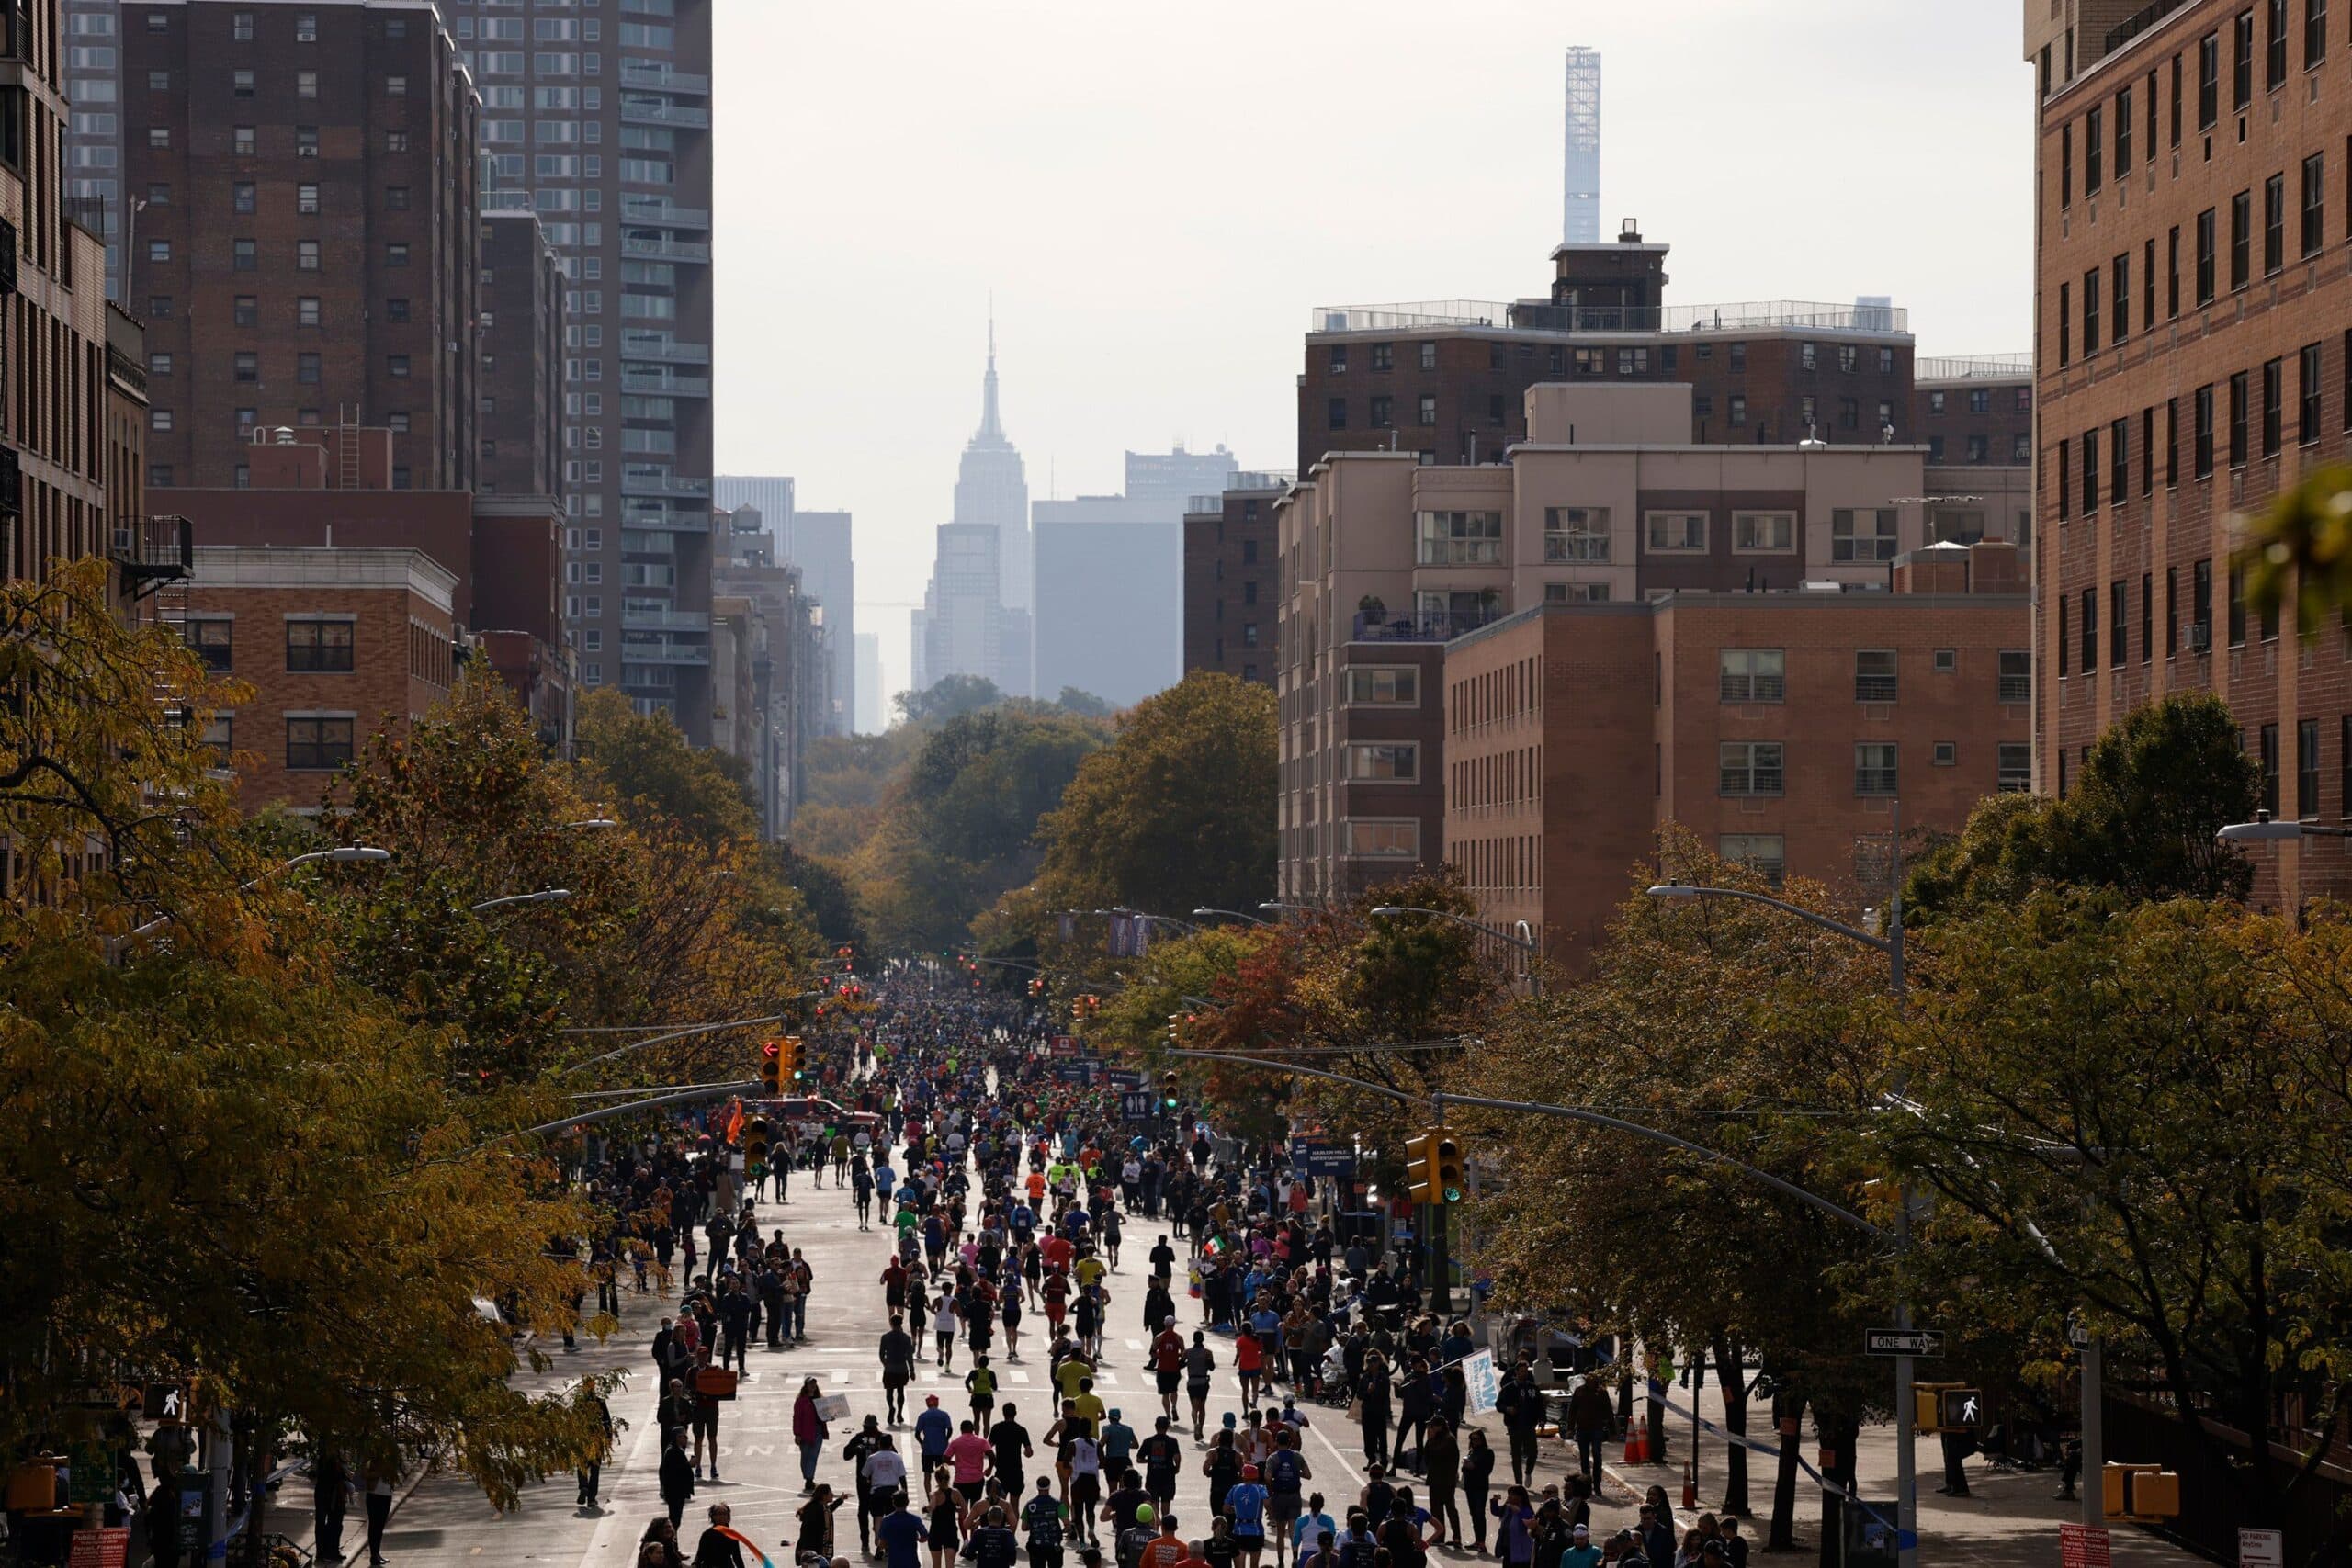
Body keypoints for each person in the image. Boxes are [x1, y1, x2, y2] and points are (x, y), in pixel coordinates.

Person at [1566, 1377, 1612, 1495]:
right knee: (1584, 1458)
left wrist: (1612, 1429)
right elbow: (1573, 1409)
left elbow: (1608, 1410)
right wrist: (1570, 1427)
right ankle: (1586, 1484)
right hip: (1582, 1429)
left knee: (1597, 1455)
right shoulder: (1580, 1391)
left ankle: (1597, 1485)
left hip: (1597, 1428)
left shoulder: (1601, 1392)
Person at [1418, 1419, 1458, 1551]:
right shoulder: (1437, 1439)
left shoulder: (1448, 1440)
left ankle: (1456, 1537)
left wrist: (1430, 1439)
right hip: (1436, 1479)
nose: (1430, 1428)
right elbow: (1427, 1456)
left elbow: (1436, 1454)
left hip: (1445, 1480)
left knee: (1450, 1508)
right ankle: (1441, 1536)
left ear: (1440, 1426)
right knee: (1436, 1509)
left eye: (1432, 1426)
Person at [1225, 1463, 1270, 1568]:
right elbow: (1267, 1503)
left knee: (1240, 1565)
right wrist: (1271, 1514)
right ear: (1257, 1476)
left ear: (1243, 1476)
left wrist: (1236, 1510)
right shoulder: (1260, 1489)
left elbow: (1225, 1508)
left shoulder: (1235, 1488)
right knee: (1254, 1565)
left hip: (1239, 1530)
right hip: (1256, 1530)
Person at [876, 1487, 931, 1568]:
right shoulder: (915, 1520)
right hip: (912, 1562)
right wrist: (917, 1539)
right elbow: (925, 1537)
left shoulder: (886, 1521)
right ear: (907, 1502)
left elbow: (882, 1544)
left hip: (895, 1563)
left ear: (893, 1503)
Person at [1460, 1429, 1495, 1555]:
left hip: (1481, 1487)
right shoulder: (1471, 1452)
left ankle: (1482, 1542)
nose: (1474, 1442)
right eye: (1472, 1439)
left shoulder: (1488, 1453)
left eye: (1476, 1439)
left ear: (1482, 1440)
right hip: (1470, 1487)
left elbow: (1487, 1470)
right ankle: (1477, 1540)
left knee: (1480, 1514)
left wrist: (1474, 1467)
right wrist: (1465, 1466)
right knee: (1474, 1514)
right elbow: (1465, 1470)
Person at [1023, 1475, 1069, 1568]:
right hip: (1054, 1545)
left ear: (1037, 1487)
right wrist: (1062, 1531)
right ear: (1049, 1486)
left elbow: (1024, 1527)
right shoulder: (1058, 1504)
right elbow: (1067, 1524)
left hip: (1036, 1546)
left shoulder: (1029, 1505)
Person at [796, 1379, 832, 1491]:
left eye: (814, 1384)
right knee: (805, 1456)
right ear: (806, 1386)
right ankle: (808, 1477)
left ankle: (809, 1480)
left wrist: (831, 1416)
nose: (813, 1386)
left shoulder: (820, 1400)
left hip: (818, 1431)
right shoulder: (801, 1401)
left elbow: (826, 1415)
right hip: (805, 1431)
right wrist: (797, 1434)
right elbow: (797, 1418)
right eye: (810, 1384)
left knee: (813, 1456)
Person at [882, 1316, 919, 1424]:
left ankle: (891, 1407)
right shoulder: (906, 1338)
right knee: (900, 1391)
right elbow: (909, 1356)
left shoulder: (885, 1337)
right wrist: (912, 1370)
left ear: (891, 1323)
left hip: (890, 1369)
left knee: (889, 1391)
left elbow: (881, 1354)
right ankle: (899, 1413)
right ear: (901, 1323)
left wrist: (886, 1363)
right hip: (902, 1369)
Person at [660, 1428, 698, 1531]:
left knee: (676, 1520)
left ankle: (673, 1541)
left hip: (677, 1491)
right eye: (684, 1436)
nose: (686, 1438)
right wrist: (689, 1464)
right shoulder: (672, 1451)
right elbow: (674, 1470)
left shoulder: (677, 1449)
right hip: (674, 1491)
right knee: (674, 1520)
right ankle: (672, 1542)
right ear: (677, 1437)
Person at [797, 1486, 847, 1561]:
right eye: (830, 1493)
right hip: (813, 1549)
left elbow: (830, 1509)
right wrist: (804, 1549)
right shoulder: (815, 1509)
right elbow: (806, 1530)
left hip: (819, 1548)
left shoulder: (823, 1508)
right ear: (824, 1496)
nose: (833, 1495)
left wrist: (840, 1500)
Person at [693, 1502, 746, 1568]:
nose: (722, 1516)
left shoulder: (732, 1535)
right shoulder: (707, 1534)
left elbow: (737, 1557)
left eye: (725, 1514)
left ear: (728, 1517)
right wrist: (694, 1565)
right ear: (713, 1517)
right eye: (719, 1514)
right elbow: (700, 1555)